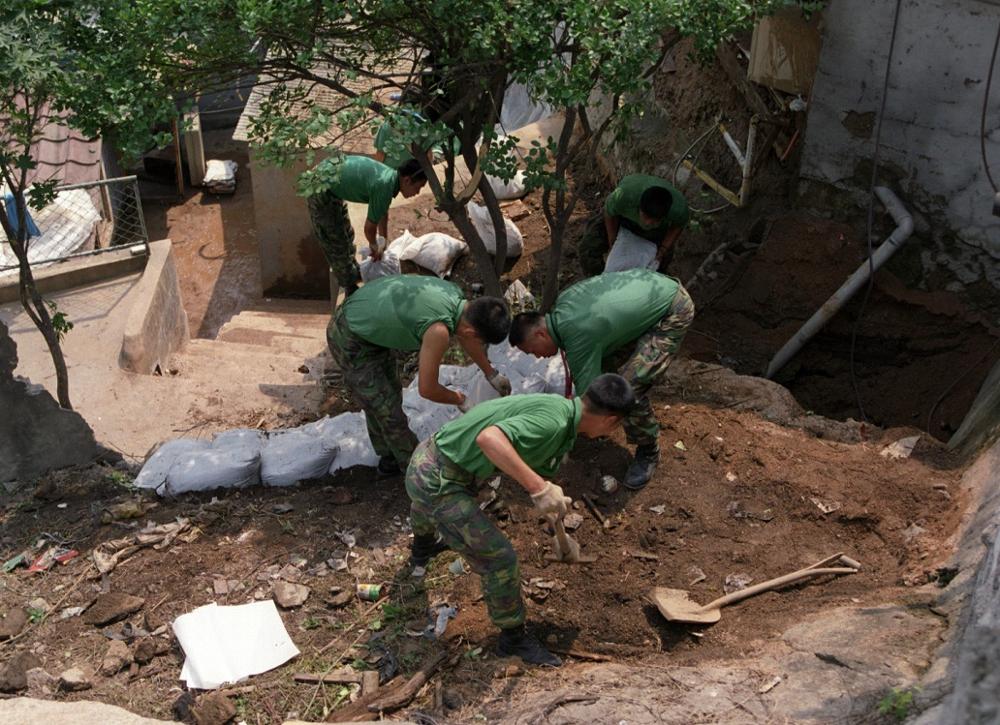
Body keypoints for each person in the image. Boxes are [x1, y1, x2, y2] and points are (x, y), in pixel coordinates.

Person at [405, 374, 636, 666]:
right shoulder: (553, 423)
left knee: (436, 509)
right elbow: (489, 439)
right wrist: (538, 488)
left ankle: (423, 548)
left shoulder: (560, 410)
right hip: (435, 479)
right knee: (500, 559)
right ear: (610, 420)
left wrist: (559, 530)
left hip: (430, 459)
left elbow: (527, 467)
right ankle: (512, 640)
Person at [507, 269, 694, 490]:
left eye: (532, 350)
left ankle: (648, 450)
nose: (537, 356)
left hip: (672, 310)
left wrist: (558, 436)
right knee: (609, 370)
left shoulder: (577, 336)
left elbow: (591, 399)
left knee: (625, 390)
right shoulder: (564, 304)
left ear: (540, 334)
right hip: (655, 284)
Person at [328, 275, 513, 477]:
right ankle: (416, 472)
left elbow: (466, 336)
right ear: (471, 330)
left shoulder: (455, 296)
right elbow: (427, 389)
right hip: (349, 335)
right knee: (386, 409)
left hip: (367, 324)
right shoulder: (438, 331)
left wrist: (490, 373)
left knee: (387, 395)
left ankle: (388, 456)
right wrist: (461, 400)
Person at [307, 155, 428, 297]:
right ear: (407, 180)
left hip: (330, 177)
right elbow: (369, 228)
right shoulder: (384, 185)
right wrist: (374, 246)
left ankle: (351, 271)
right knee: (336, 242)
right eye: (418, 187)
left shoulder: (390, 179)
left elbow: (382, 210)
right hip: (320, 188)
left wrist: (383, 239)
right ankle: (349, 286)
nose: (417, 193)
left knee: (347, 233)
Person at [577, 174, 689, 277]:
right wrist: (612, 241)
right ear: (639, 207)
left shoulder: (679, 209)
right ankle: (599, 282)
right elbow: (609, 213)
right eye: (646, 217)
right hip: (624, 220)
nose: (648, 223)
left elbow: (678, 226)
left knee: (659, 265)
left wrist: (663, 250)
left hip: (656, 232)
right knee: (588, 249)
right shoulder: (623, 196)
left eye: (654, 220)